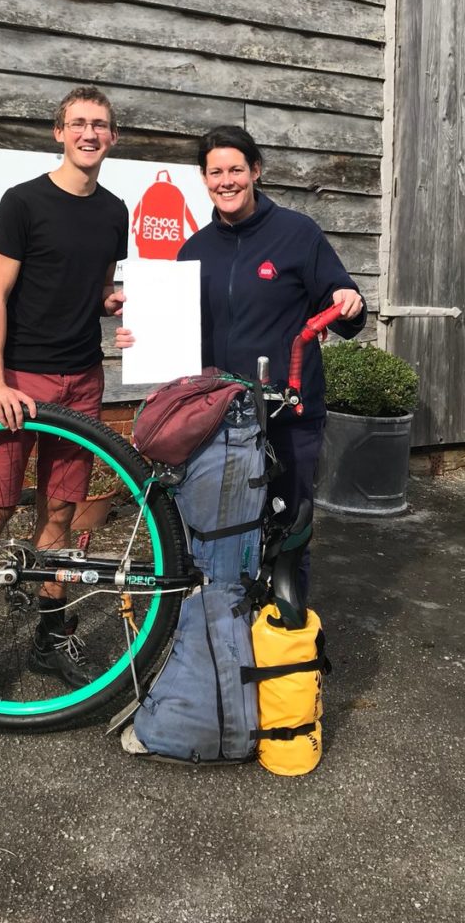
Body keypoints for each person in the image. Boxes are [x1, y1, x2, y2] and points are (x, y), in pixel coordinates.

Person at [116, 124, 366, 604]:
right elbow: (179, 334)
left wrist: (348, 301)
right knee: (218, 527)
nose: (225, 181)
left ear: (255, 171)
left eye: (235, 169)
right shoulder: (194, 249)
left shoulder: (298, 234)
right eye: (215, 172)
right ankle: (223, 632)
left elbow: (345, 304)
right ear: (204, 179)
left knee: (289, 530)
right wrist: (140, 335)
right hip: (220, 420)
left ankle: (283, 640)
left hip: (288, 414)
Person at [0, 85, 128, 695]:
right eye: (78, 123)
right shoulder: (23, 202)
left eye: (99, 125)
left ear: (112, 136)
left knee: (62, 512)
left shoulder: (114, 210)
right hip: (21, 380)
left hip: (82, 378)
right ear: (59, 132)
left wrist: (117, 304)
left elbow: (99, 290)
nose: (89, 133)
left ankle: (53, 633)